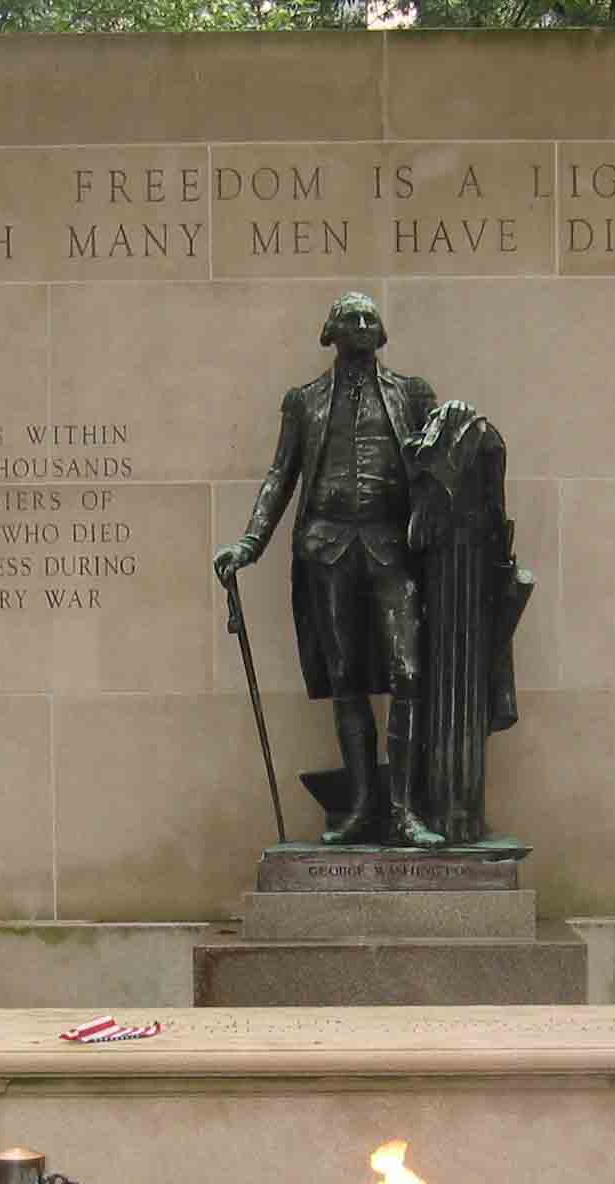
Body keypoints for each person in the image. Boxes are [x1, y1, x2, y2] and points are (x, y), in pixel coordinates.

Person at [212, 292, 442, 848]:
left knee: (409, 672)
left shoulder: (412, 394)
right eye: (351, 318)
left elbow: (442, 467)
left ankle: (405, 809)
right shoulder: (307, 401)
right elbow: (279, 476)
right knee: (345, 681)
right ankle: (363, 807)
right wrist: (249, 543)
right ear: (330, 331)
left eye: (370, 318)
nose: (362, 326)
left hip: (391, 545)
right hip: (327, 547)